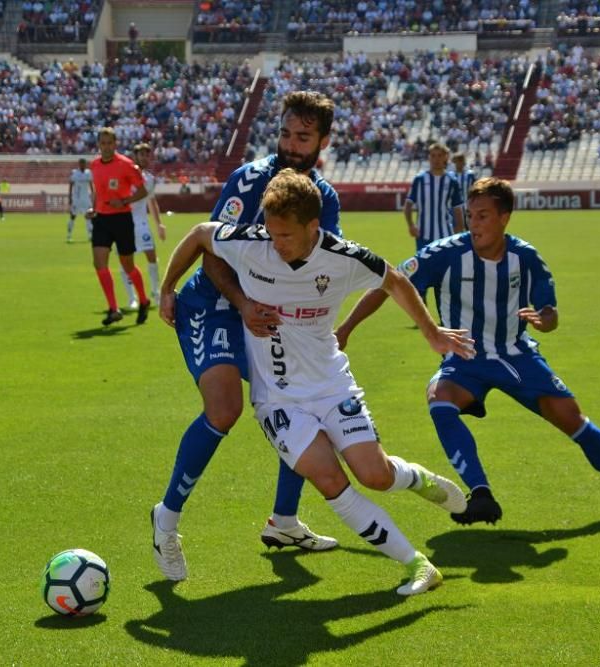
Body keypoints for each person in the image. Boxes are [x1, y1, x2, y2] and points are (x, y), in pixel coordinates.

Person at [160, 169, 475, 595]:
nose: (276, 243)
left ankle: (417, 480)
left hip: (332, 385)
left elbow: (394, 279)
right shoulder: (254, 243)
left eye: (286, 235)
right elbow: (200, 234)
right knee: (329, 481)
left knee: (375, 475)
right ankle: (417, 565)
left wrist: (431, 331)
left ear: (314, 227)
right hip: (278, 400)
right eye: (271, 232)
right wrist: (167, 287)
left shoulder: (342, 257)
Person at [335, 177, 600, 526]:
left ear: (504, 217)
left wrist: (545, 319)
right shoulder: (444, 253)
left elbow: (549, 311)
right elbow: (388, 284)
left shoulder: (525, 256)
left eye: (483, 216)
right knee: (440, 398)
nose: (474, 224)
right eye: (471, 215)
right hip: (464, 359)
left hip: (516, 355)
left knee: (573, 419)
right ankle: (481, 494)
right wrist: (345, 329)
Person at [148, 91, 344, 582]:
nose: (291, 145)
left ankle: (284, 521)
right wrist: (238, 303)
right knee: (224, 409)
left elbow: (318, 265)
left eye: (303, 137)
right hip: (216, 302)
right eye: (285, 134)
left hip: (269, 312)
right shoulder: (250, 178)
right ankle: (166, 520)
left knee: (301, 405)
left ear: (322, 140)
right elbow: (212, 252)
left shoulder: (325, 200)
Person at [88, 127, 151, 326]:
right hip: (101, 219)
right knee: (99, 263)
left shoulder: (126, 165)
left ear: (115, 144)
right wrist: (93, 207)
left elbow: (142, 191)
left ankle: (143, 300)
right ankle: (113, 309)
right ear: (98, 144)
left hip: (122, 219)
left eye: (109, 143)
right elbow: (97, 190)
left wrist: (124, 201)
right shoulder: (94, 165)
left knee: (127, 265)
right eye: (103, 143)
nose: (106, 147)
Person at [119, 143, 165, 309]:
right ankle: (132, 298)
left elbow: (152, 202)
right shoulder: (125, 174)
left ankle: (155, 292)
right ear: (135, 157)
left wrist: (159, 224)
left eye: (147, 155)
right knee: (125, 261)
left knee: (152, 257)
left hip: (142, 223)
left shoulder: (150, 179)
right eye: (141, 155)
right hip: (124, 222)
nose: (145, 158)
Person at [405, 143, 465, 251]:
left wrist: (459, 229)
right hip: (423, 235)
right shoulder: (419, 179)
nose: (436, 159)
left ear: (445, 157)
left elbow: (457, 209)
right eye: (433, 155)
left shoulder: (452, 181)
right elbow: (408, 204)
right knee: (424, 267)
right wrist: (411, 225)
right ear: (429, 158)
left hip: (446, 234)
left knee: (446, 267)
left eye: (439, 155)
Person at [68, 158, 94, 243]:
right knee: (73, 216)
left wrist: (93, 196)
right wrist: (70, 197)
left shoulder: (88, 173)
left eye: (84, 163)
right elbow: (71, 185)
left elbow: (91, 185)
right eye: (81, 163)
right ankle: (69, 235)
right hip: (76, 199)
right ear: (78, 164)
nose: (82, 165)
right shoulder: (74, 173)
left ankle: (90, 236)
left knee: (89, 217)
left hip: (86, 199)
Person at [451, 152, 478, 225]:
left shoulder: (470, 175)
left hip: (468, 206)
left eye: (461, 161)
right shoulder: (450, 176)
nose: (459, 163)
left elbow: (475, 190)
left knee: (470, 228)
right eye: (457, 161)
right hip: (454, 208)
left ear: (464, 162)